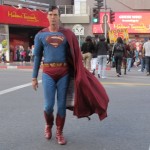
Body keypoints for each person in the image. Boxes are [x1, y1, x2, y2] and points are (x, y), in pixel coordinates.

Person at [32, 6, 109, 145]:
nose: (53, 17)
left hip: (63, 74)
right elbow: (37, 57)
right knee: (48, 106)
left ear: (59, 16)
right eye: (50, 14)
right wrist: (33, 77)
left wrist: (80, 72)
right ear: (47, 16)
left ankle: (59, 132)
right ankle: (49, 125)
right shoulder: (40, 35)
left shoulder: (67, 34)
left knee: (61, 106)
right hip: (48, 73)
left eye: (55, 15)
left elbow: (76, 54)